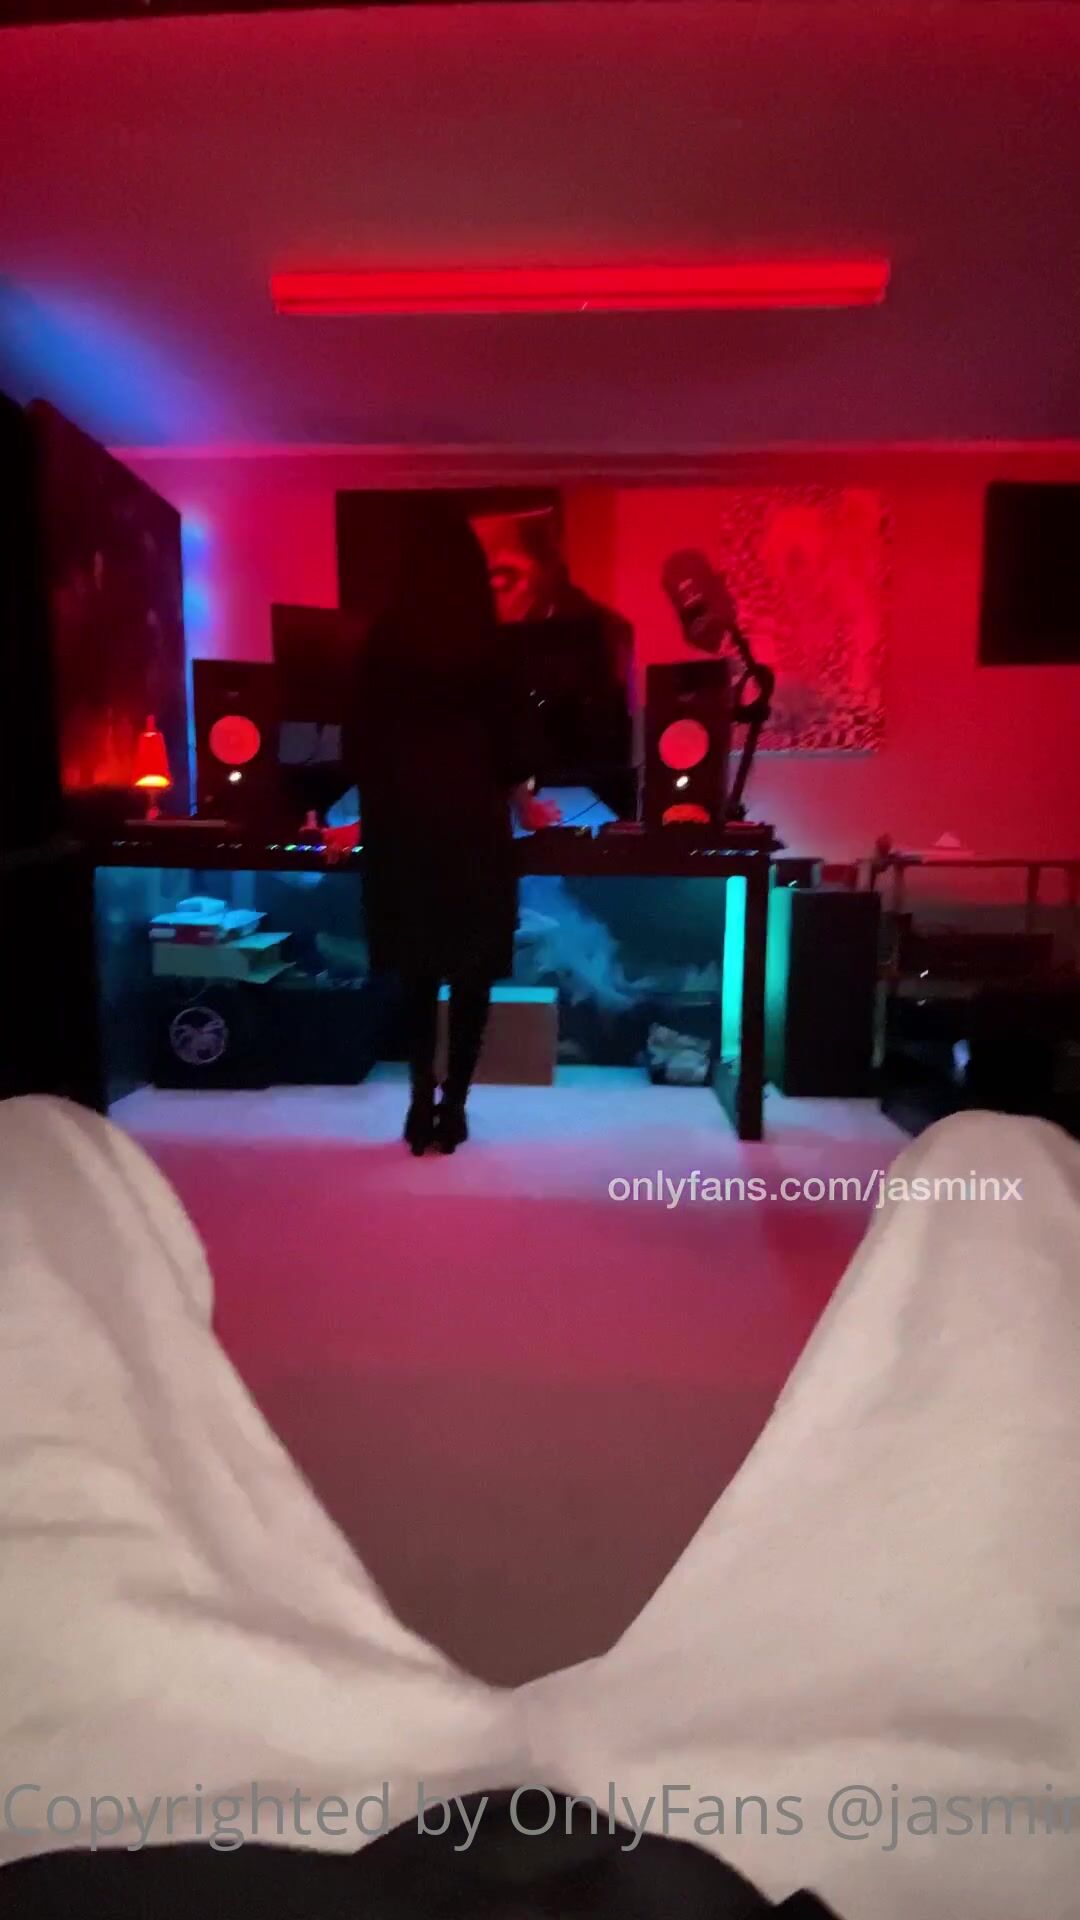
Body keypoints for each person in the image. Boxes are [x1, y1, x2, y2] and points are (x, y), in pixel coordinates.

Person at [349, 501, 557, 1155]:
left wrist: (363, 817)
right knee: (471, 975)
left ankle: (418, 1105)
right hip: (472, 831)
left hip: (404, 831)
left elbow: (360, 745)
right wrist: (525, 804)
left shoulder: (382, 644)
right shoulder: (492, 645)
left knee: (416, 973)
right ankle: (455, 1110)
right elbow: (514, 750)